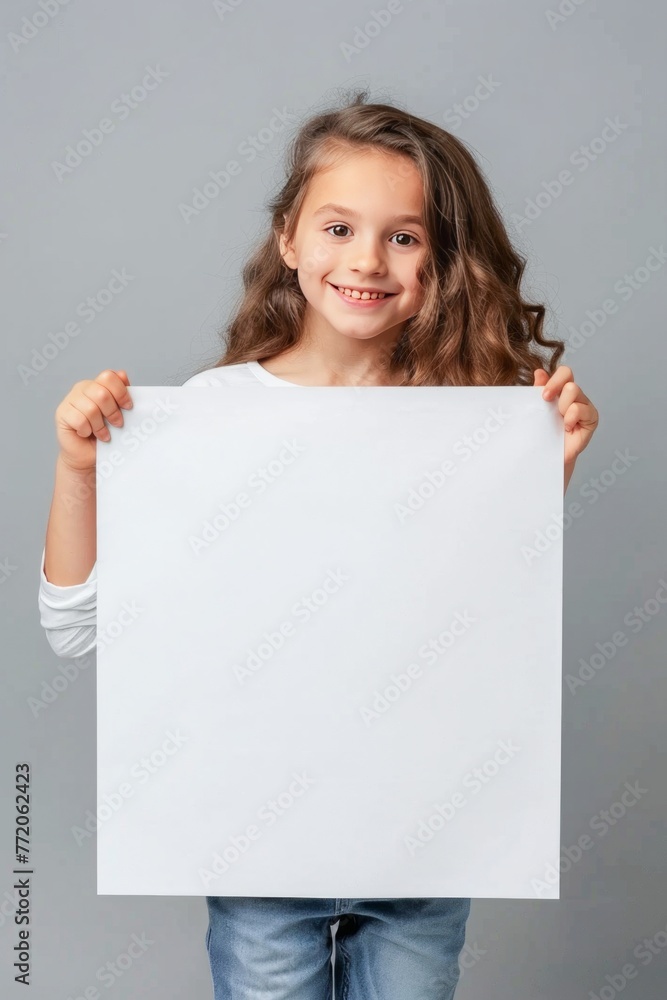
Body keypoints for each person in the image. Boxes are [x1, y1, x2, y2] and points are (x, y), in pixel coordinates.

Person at [38, 90, 599, 999]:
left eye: (404, 237)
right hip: (260, 848)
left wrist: (543, 470)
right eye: (338, 227)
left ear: (440, 260)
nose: (366, 261)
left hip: (421, 845)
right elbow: (76, 625)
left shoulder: (470, 430)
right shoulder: (208, 422)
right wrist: (77, 468)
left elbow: (472, 618)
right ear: (288, 238)